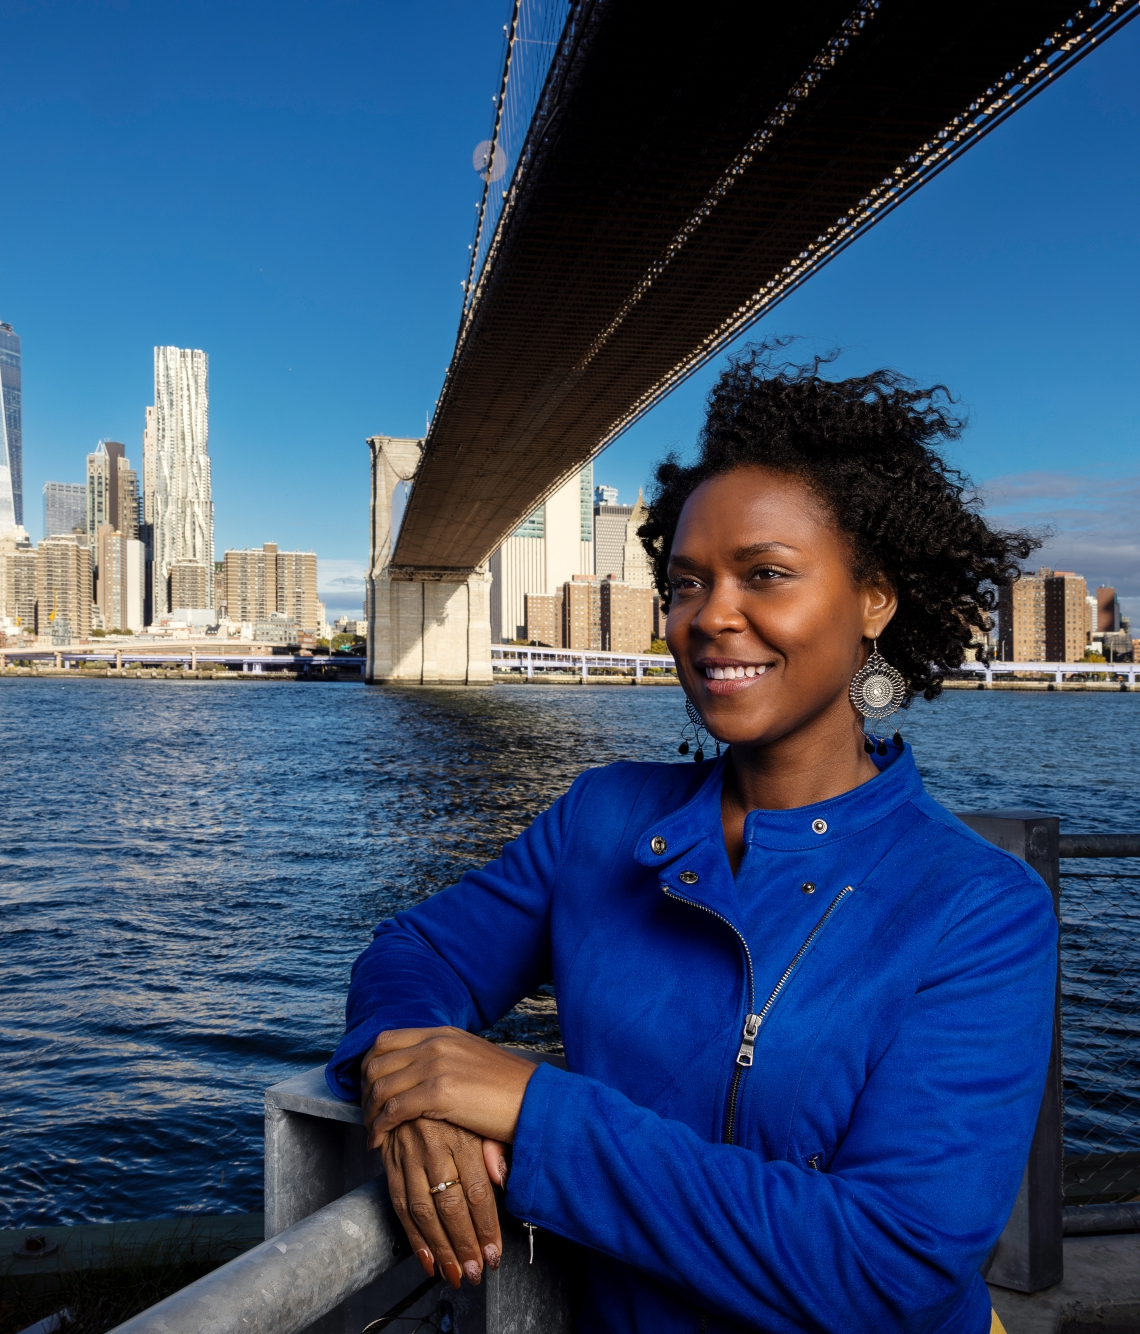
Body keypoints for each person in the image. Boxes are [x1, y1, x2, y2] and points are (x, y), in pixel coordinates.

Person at [328, 353, 1056, 1332]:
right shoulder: (601, 819)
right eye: (684, 583)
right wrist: (414, 1086)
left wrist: (532, 1108)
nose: (710, 615)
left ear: (872, 600)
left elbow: (889, 1266)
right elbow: (413, 953)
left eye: (764, 574)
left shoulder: (978, 907)